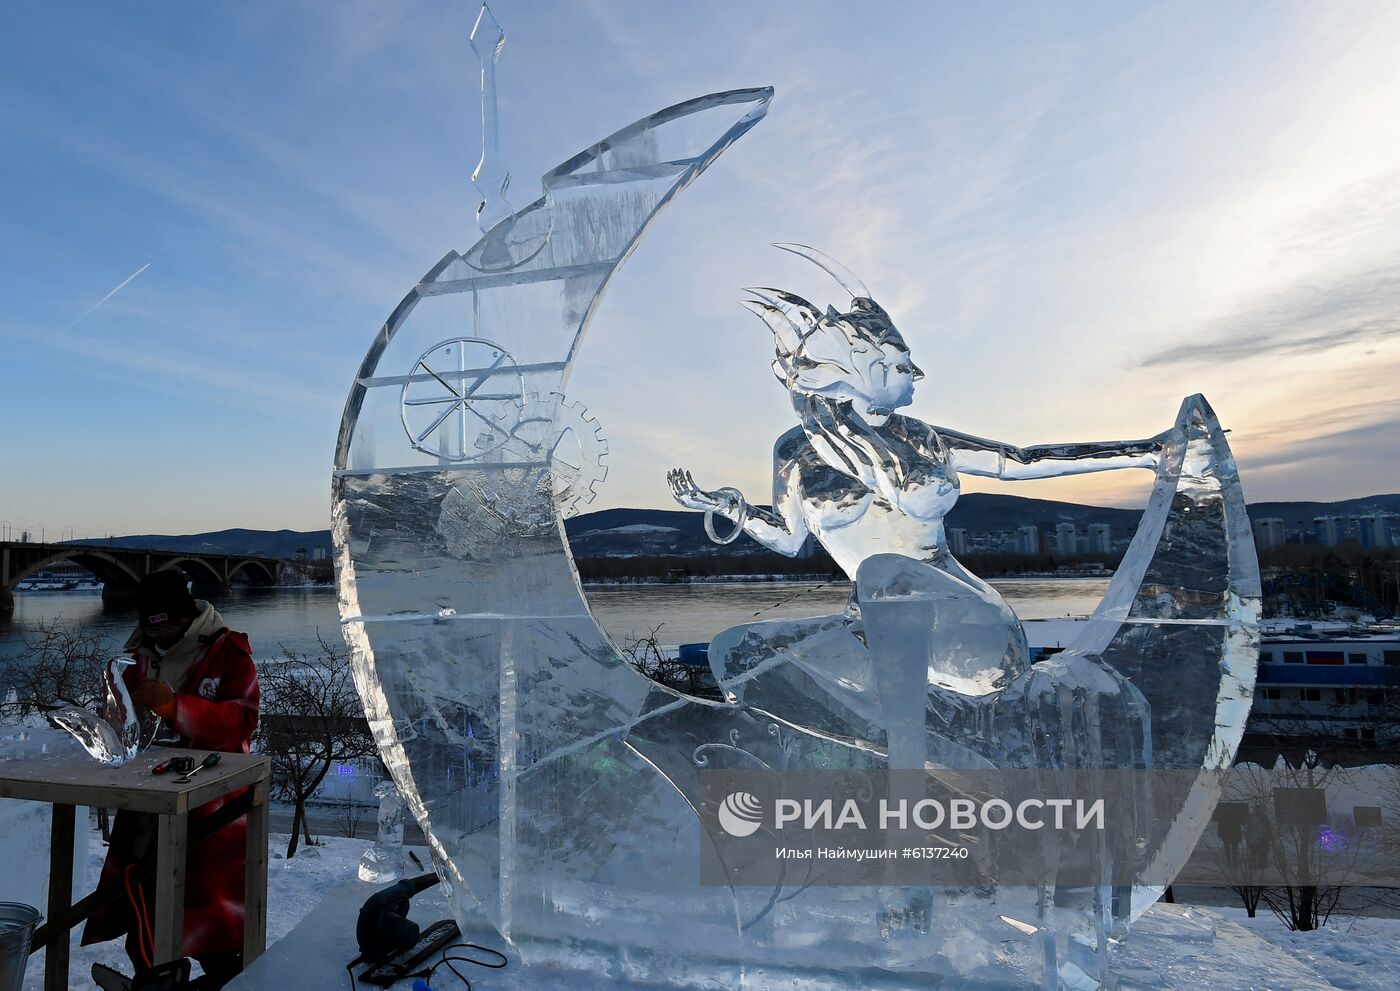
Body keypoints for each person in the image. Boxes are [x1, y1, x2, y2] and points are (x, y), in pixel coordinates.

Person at [82, 569, 260, 990]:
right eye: (152, 626)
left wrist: (177, 707)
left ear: (188, 615)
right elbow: (122, 719)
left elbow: (243, 720)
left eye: (170, 625)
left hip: (213, 807)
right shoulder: (137, 656)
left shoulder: (231, 654)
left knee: (212, 916)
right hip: (148, 806)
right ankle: (153, 979)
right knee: (144, 903)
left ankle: (233, 980)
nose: (161, 635)